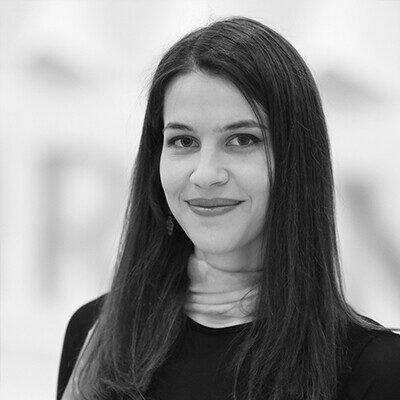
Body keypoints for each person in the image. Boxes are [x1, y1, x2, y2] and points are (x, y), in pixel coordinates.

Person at [57, 16, 400, 400]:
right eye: (183, 141)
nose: (205, 175)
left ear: (296, 161)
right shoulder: (96, 335)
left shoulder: (375, 370)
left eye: (242, 140)